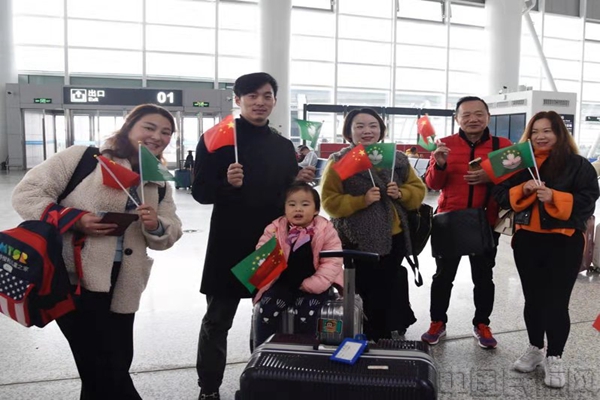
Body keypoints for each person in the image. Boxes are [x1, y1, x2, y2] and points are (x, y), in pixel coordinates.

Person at [11, 104, 183, 400]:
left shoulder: (157, 182)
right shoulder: (83, 159)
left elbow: (172, 229)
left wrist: (156, 225)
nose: (158, 136)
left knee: (112, 365)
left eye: (166, 132)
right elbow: (27, 194)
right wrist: (75, 220)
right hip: (74, 281)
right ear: (129, 127)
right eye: (149, 127)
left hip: (124, 284)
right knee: (105, 369)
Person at [192, 72, 315, 400]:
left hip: (271, 244)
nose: (260, 102)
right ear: (238, 100)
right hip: (229, 244)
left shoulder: (282, 145)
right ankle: (209, 388)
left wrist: (298, 181)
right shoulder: (217, 139)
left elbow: (285, 194)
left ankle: (263, 380)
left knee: (269, 314)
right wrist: (226, 184)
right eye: (252, 96)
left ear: (275, 100)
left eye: (267, 95)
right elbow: (200, 192)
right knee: (218, 319)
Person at [492, 111, 599, 388]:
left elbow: (588, 201)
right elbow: (500, 195)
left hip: (564, 242)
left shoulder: (578, 165)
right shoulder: (519, 164)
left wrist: (555, 196)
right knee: (533, 299)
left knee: (556, 302)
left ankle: (555, 356)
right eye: (535, 131)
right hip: (527, 241)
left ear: (559, 133)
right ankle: (535, 348)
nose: (540, 136)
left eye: (547, 130)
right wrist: (523, 190)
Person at [321, 108, 426, 341]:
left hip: (395, 236)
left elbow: (419, 190)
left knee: (390, 282)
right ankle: (368, 331)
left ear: (381, 130)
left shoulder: (397, 159)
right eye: (359, 126)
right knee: (366, 287)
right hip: (357, 240)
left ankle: (390, 326)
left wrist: (402, 193)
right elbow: (329, 201)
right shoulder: (340, 161)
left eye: (373, 125)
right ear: (349, 132)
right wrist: (361, 200)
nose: (367, 130)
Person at [421, 96, 511, 349]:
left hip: (486, 221)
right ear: (457, 119)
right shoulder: (444, 145)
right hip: (449, 220)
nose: (473, 119)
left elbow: (515, 178)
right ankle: (437, 321)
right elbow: (432, 184)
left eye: (479, 114)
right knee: (443, 276)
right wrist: (439, 164)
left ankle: (482, 323)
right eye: (466, 114)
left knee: (484, 277)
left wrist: (489, 175)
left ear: (488, 117)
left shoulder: (502, 145)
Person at [253, 182, 344, 347]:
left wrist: (314, 284)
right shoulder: (275, 229)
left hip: (315, 284)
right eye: (292, 204)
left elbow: (333, 261)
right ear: (285, 208)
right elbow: (262, 252)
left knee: (309, 312)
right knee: (266, 308)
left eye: (305, 204)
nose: (298, 209)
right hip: (282, 282)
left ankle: (306, 351)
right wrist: (266, 257)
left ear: (316, 210)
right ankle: (263, 351)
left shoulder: (326, 230)